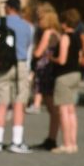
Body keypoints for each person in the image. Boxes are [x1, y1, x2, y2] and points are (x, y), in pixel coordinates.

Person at [0, 0, 34, 153]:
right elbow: (28, 45)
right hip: (20, 64)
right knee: (18, 103)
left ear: (8, 7)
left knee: (1, 103)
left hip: (2, 65)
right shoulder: (26, 26)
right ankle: (16, 141)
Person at [50, 9, 83, 153]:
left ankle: (66, 144)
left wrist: (51, 58)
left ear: (64, 23)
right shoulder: (77, 37)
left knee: (63, 110)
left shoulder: (65, 37)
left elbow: (62, 60)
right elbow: (80, 57)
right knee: (71, 110)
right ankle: (73, 143)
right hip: (76, 74)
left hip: (64, 76)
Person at [29, 8, 60, 150]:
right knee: (52, 107)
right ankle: (51, 137)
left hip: (45, 71)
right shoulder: (57, 33)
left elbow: (38, 52)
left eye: (41, 19)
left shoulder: (47, 33)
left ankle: (51, 138)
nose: (39, 22)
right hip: (51, 70)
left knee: (51, 106)